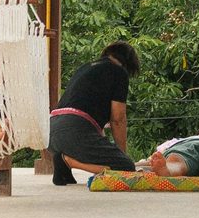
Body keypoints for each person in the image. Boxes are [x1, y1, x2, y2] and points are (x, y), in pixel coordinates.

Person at [47, 40, 141, 186]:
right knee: (125, 167)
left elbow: (92, 125)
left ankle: (63, 166)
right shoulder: (118, 71)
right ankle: (67, 161)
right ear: (128, 62)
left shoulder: (85, 68)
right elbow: (118, 119)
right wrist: (121, 156)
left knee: (117, 163)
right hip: (74, 130)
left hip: (51, 132)